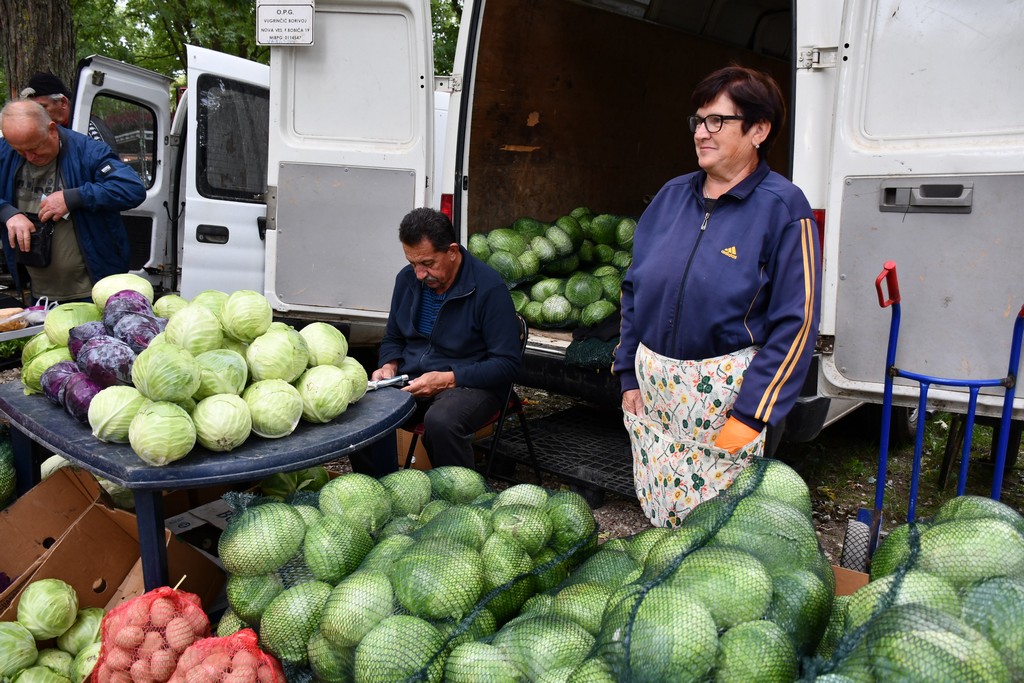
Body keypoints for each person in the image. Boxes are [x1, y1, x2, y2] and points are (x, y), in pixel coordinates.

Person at [613, 66, 821, 527]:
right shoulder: (669, 198)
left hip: (727, 401)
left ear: (759, 130)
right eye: (698, 121)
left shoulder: (785, 209)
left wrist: (752, 414)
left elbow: (797, 322)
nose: (701, 133)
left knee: (719, 530)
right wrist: (628, 373)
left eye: (717, 121)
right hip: (656, 394)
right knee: (661, 508)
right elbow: (634, 290)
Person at [349, 207, 522, 477]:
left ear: (452, 252)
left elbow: (508, 364)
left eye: (428, 264)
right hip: (415, 376)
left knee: (441, 421)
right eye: (412, 263)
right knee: (364, 413)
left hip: (473, 383)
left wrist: (448, 378)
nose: (419, 274)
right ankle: (380, 491)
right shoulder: (406, 280)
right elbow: (393, 336)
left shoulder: (489, 288)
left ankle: (460, 505)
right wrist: (389, 364)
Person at [0, 101, 146, 302]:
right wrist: (7, 212)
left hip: (92, 291)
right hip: (35, 292)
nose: (29, 156)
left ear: (52, 129)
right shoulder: (5, 152)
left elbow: (132, 188)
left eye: (34, 148)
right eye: (20, 151)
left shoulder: (88, 152)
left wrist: (74, 197)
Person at [20, 71, 120, 153]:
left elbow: (109, 169)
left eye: (43, 107)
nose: (37, 113)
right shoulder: (55, 130)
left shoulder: (88, 128)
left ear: (63, 102)